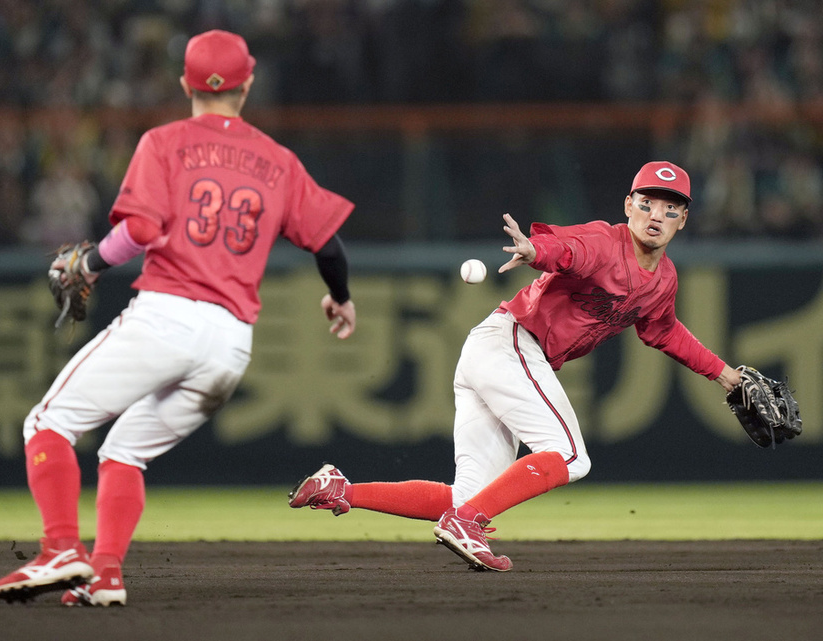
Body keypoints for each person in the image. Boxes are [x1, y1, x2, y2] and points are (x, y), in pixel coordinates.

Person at [0, 29, 357, 606]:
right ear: (249, 83)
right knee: (123, 451)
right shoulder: (279, 161)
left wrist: (88, 261)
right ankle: (105, 575)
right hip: (231, 344)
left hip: (167, 317)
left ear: (185, 83)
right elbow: (329, 247)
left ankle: (61, 546)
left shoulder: (164, 142)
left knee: (47, 424)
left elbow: (139, 231)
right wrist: (341, 297)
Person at [289, 161, 742, 572]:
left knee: (468, 497)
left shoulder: (663, 280)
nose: (656, 216)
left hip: (496, 354)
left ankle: (341, 489)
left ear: (683, 219)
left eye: (670, 208)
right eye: (646, 204)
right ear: (628, 205)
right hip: (512, 346)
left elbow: (663, 330)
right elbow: (570, 249)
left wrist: (727, 376)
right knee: (570, 456)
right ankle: (467, 523)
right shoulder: (607, 242)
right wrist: (536, 250)